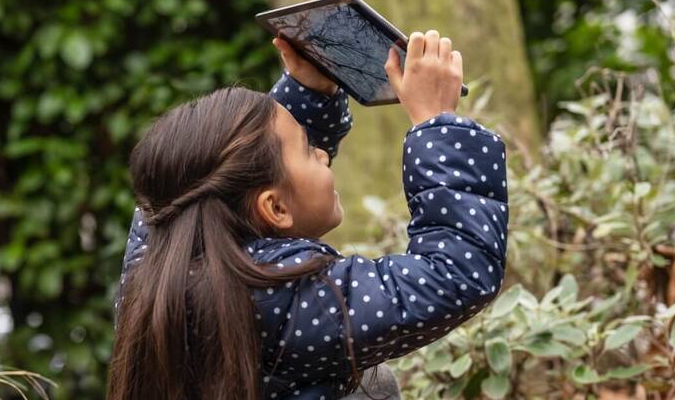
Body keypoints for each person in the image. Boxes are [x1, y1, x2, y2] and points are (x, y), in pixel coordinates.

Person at [107, 30, 508, 400]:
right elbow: (453, 274)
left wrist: (308, 91)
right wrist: (437, 124)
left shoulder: (158, 249)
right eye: (307, 148)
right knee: (374, 386)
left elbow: (238, 169)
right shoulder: (281, 299)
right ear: (275, 208)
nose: (321, 153)